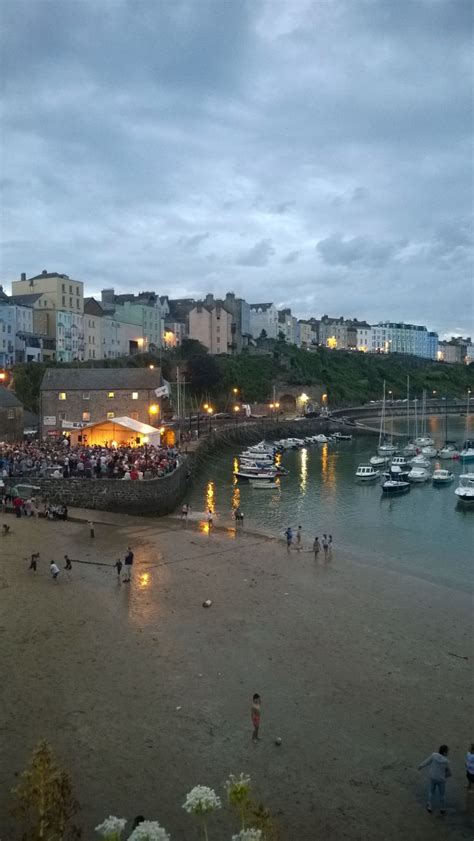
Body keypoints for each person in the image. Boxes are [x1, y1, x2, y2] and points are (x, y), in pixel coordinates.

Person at [418, 744, 451, 814]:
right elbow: (449, 772)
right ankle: (442, 808)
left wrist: (421, 766)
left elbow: (427, 762)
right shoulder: (446, 761)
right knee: (442, 794)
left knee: (431, 792)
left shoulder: (434, 755)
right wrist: (445, 777)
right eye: (448, 751)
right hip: (441, 780)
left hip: (433, 777)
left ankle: (429, 806)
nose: (448, 752)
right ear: (444, 753)